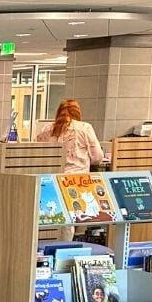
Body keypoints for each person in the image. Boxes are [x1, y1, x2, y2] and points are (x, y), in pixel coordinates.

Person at [35, 99, 105, 241]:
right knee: (68, 222)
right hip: (76, 183)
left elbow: (37, 152)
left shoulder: (46, 129)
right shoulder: (85, 128)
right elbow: (98, 157)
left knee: (53, 216)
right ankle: (65, 249)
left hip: (50, 181)